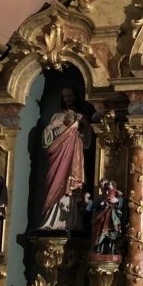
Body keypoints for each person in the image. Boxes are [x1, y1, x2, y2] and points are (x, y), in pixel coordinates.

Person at [39, 86, 92, 230]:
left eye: (70, 95)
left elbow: (86, 141)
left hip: (74, 157)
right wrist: (50, 128)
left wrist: (84, 125)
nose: (68, 98)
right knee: (54, 183)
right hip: (57, 156)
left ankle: (70, 222)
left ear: (75, 96)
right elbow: (47, 141)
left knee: (71, 187)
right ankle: (51, 221)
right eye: (65, 96)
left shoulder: (81, 117)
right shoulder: (57, 116)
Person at [84, 180, 126, 256]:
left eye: (105, 186)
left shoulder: (115, 194)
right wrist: (87, 201)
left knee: (111, 237)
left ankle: (111, 250)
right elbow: (93, 205)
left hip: (112, 220)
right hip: (101, 221)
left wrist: (116, 201)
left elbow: (122, 200)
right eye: (102, 187)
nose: (104, 188)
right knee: (100, 237)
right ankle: (100, 249)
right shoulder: (100, 198)